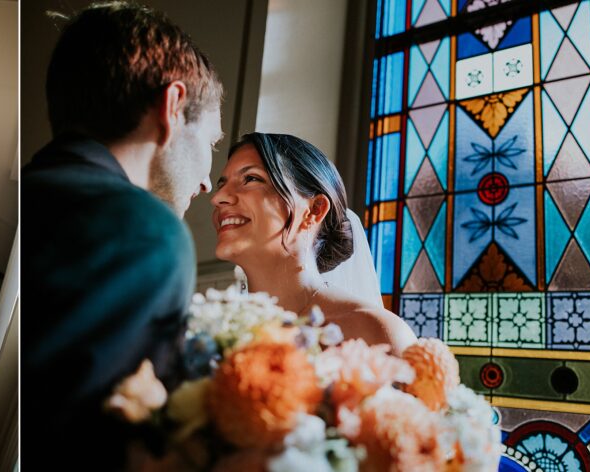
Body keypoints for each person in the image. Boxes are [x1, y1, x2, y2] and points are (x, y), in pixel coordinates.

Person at [22, 2, 223, 469]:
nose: (209, 183)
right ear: (171, 106)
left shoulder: (32, 192)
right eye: (211, 143)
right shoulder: (146, 232)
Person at [211, 132, 417, 352]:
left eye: (251, 179)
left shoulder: (374, 334)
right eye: (221, 185)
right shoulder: (211, 333)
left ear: (314, 210)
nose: (218, 198)